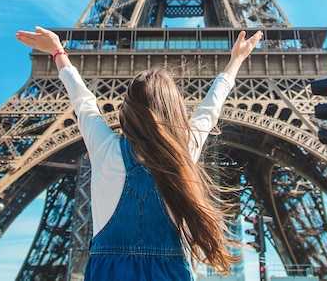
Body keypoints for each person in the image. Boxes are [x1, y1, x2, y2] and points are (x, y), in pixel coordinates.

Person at [16, 26, 262, 280]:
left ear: (127, 110)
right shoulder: (184, 150)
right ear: (175, 109)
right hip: (169, 272)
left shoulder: (105, 148)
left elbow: (84, 102)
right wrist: (235, 61)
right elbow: (209, 109)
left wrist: (58, 53)